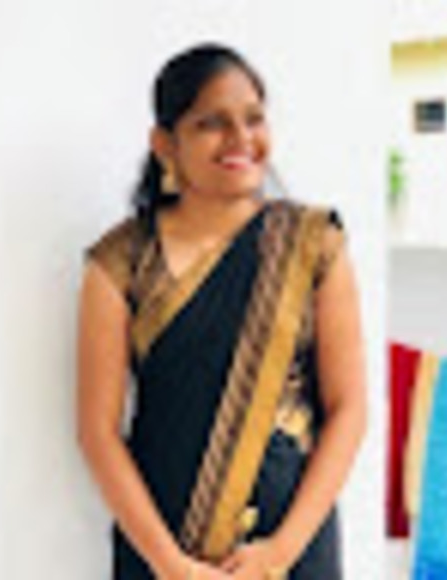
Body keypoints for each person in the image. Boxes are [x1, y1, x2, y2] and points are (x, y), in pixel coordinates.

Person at [77, 42, 367, 580]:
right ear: (165, 143)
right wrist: (171, 565)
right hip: (163, 547)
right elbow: (98, 431)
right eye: (212, 123)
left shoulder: (312, 244)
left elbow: (348, 408)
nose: (241, 139)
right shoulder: (121, 262)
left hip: (292, 545)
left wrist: (280, 552)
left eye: (254, 119)